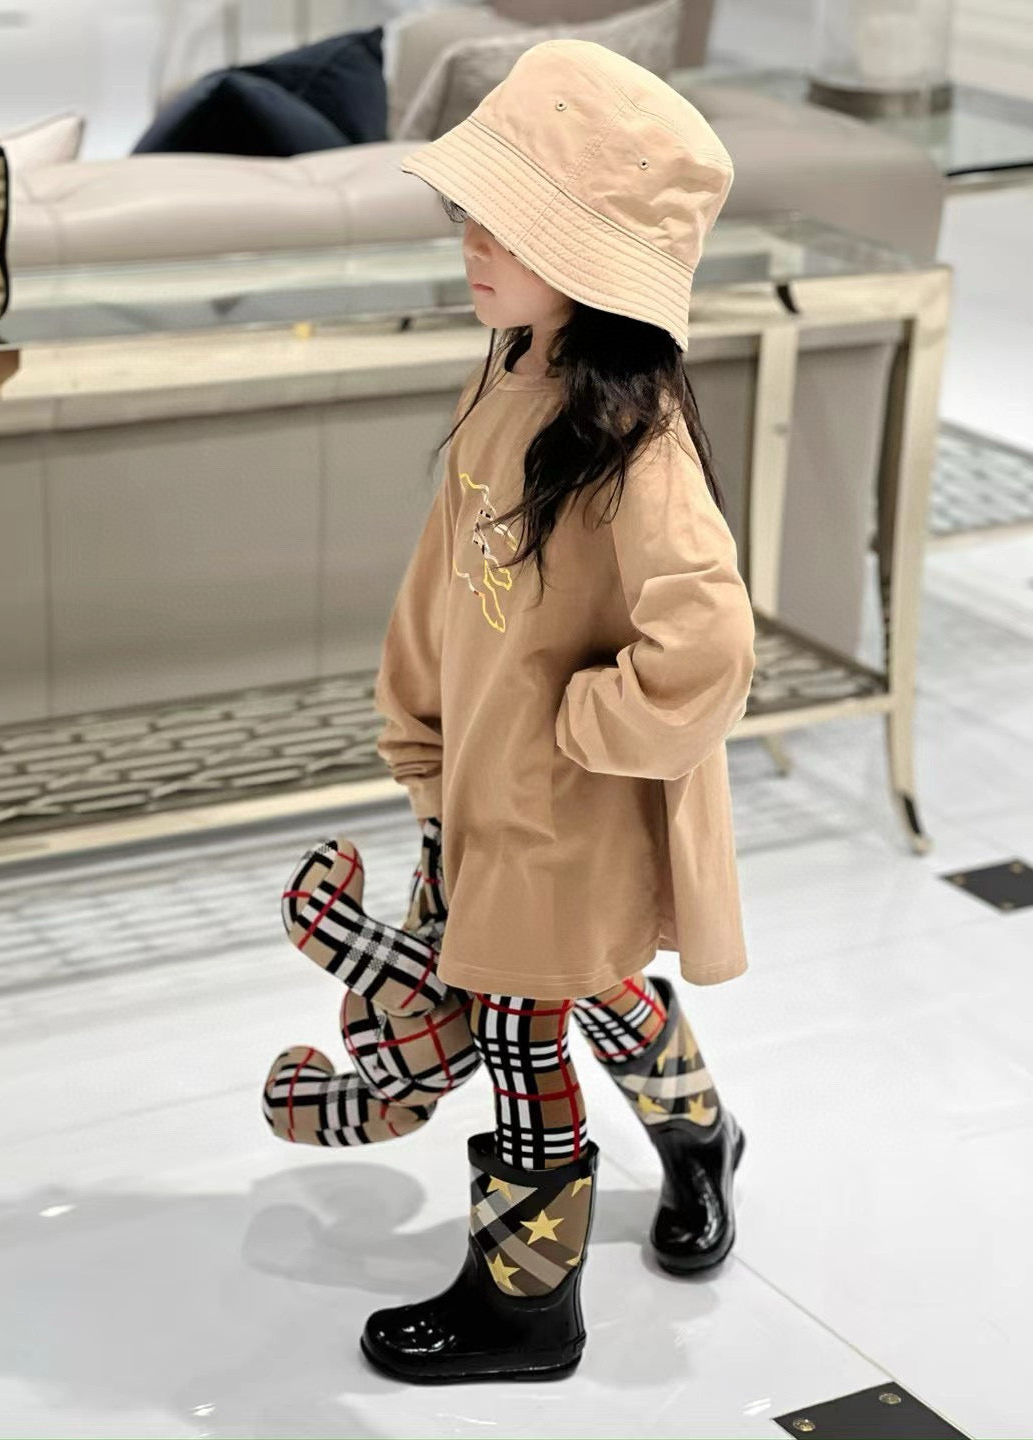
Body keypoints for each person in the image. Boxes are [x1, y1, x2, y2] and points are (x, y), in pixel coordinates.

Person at [362, 37, 757, 1385]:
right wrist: (423, 733)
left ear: (595, 257)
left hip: (567, 806)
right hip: (496, 782)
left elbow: (706, 644)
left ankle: (527, 1302)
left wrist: (581, 727)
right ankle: (700, 1133)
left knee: (522, 1023)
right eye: (473, 209)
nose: (474, 240)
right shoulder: (508, 367)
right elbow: (444, 584)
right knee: (588, 986)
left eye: (513, 221)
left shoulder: (633, 443)